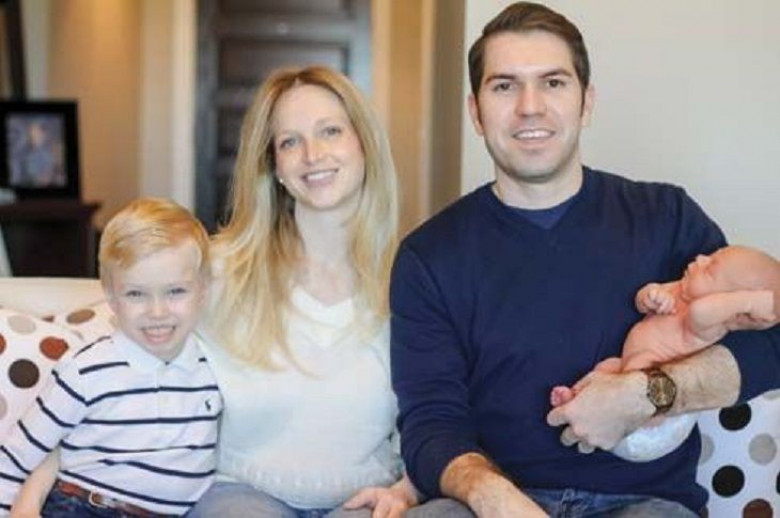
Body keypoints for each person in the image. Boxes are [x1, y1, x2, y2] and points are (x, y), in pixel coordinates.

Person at [390, 2, 780, 517]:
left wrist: (646, 394)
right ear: (476, 112)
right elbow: (430, 422)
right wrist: (493, 496)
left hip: (645, 502)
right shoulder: (429, 256)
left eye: (553, 82)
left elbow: (770, 343)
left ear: (586, 102)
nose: (530, 106)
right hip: (495, 502)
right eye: (504, 86)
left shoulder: (667, 217)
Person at [188, 66, 418, 518]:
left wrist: (409, 488)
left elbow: (442, 411)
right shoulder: (218, 271)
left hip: (365, 501)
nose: (313, 155)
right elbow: (129, 364)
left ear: (364, 144)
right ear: (273, 166)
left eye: (330, 131)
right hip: (241, 494)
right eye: (290, 142)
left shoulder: (412, 281)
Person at [0, 197, 221, 517]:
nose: (157, 312)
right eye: (136, 294)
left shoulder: (214, 367)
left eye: (175, 291)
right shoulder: (85, 371)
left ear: (203, 289)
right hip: (84, 507)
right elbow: (17, 457)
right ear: (111, 297)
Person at [550, 244, 779, 461]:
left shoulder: (712, 325)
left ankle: (637, 423)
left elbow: (700, 311)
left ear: (727, 304)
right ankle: (575, 400)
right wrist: (650, 296)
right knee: (606, 369)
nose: (700, 259)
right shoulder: (681, 289)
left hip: (654, 399)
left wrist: (746, 302)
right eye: (709, 257)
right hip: (627, 366)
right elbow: (641, 300)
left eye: (710, 269)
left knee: (633, 386)